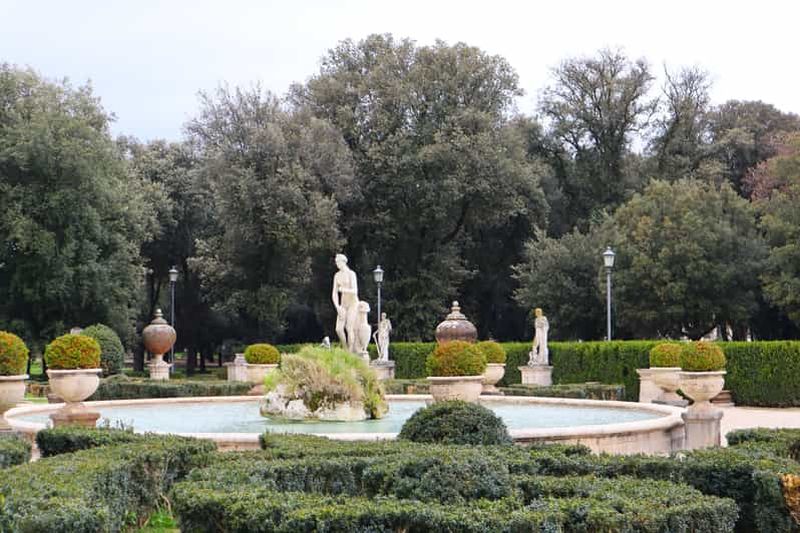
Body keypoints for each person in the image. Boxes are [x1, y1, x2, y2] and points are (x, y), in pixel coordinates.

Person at [331, 254, 359, 353]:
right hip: (343, 304)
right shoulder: (337, 275)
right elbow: (334, 293)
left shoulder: (351, 274)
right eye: (336, 262)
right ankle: (345, 349)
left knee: (349, 327)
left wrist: (343, 289)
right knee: (338, 329)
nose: (337, 264)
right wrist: (337, 307)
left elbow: (355, 291)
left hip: (353, 303)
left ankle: (350, 351)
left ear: (343, 262)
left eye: (338, 262)